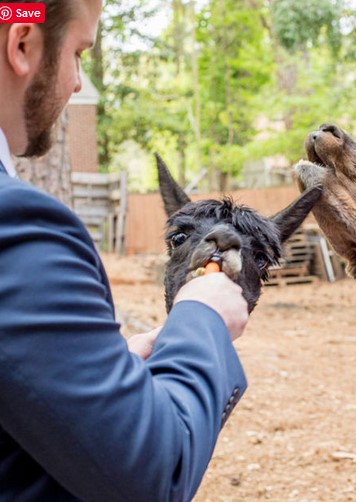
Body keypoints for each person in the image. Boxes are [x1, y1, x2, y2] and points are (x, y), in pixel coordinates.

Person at [0, 1, 251, 500]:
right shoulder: (18, 225)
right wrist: (203, 317)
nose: (76, 82)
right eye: (78, 52)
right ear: (21, 42)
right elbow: (154, 471)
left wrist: (99, 369)